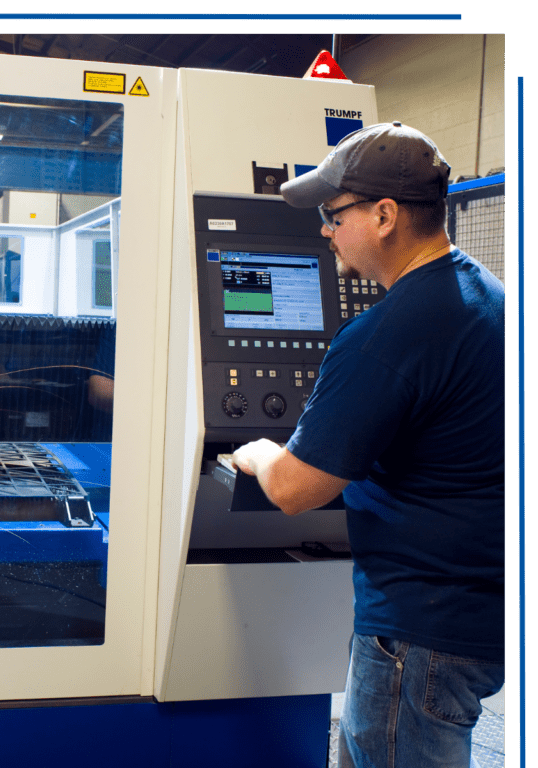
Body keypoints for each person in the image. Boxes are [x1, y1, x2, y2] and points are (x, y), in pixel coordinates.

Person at [231, 122, 504, 768]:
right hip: (479, 611)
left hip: (418, 632)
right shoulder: (487, 296)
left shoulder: (390, 332)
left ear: (384, 215)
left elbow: (297, 489)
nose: (325, 231)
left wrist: (257, 452)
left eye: (334, 214)